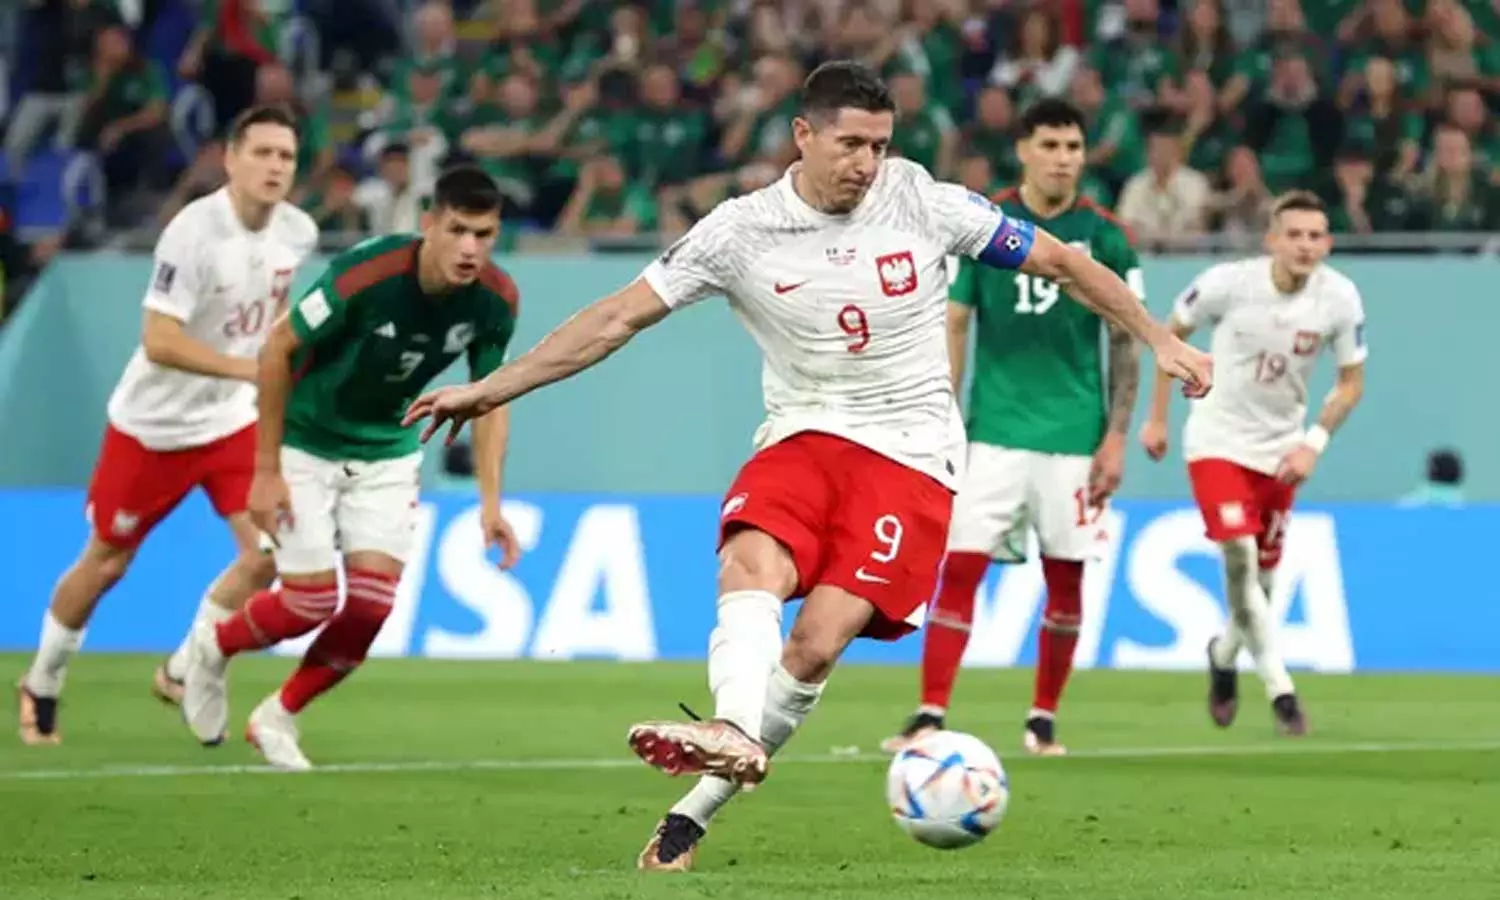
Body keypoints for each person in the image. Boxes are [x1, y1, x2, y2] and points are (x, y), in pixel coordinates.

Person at [403, 61, 1210, 870]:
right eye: (851, 144)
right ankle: (730, 725)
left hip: (911, 456)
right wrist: (494, 387)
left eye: (880, 145)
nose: (868, 163)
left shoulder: (923, 201)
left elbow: (1064, 263)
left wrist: (1159, 339)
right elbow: (616, 318)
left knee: (817, 644)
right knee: (749, 563)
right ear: (803, 135)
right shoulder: (739, 231)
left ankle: (693, 811)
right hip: (804, 434)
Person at [178, 166, 524, 770]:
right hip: (306, 440)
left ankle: (278, 714)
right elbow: (278, 347)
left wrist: (491, 504)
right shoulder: (368, 273)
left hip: (387, 449)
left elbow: (490, 398)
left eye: (484, 235)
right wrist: (265, 469)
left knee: (370, 607)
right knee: (309, 602)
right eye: (458, 230)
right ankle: (212, 647)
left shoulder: (495, 300)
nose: (471, 248)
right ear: (428, 225)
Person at [16, 106, 317, 746]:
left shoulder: (298, 232)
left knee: (268, 555)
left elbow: (274, 310)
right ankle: (42, 680)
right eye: (261, 153)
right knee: (107, 563)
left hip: (231, 422)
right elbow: (159, 339)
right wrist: (249, 369)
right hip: (153, 426)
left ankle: (183, 668)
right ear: (230, 159)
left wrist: (280, 365)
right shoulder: (192, 233)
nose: (274, 166)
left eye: (286, 156)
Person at [882, 98, 1144, 758]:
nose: (1063, 159)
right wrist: (942, 415)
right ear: (1024, 150)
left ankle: (1043, 720)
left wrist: (1116, 435)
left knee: (1067, 579)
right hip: (992, 431)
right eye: (1050, 145)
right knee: (961, 570)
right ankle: (930, 713)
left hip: (1075, 438)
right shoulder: (985, 225)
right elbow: (956, 321)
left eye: (1073, 147)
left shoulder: (1107, 236)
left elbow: (1125, 339)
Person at [1139, 190, 1367, 737]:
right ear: (1272, 240)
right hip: (1217, 442)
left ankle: (1223, 655)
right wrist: (1157, 418)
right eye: (1295, 235)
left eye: (1316, 236)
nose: (1305, 246)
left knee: (1261, 583)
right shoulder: (1229, 283)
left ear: (1328, 244)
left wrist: (1313, 443)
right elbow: (1171, 336)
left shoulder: (1339, 298)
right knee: (1238, 554)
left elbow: (1350, 383)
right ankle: (1280, 689)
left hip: (1282, 450)